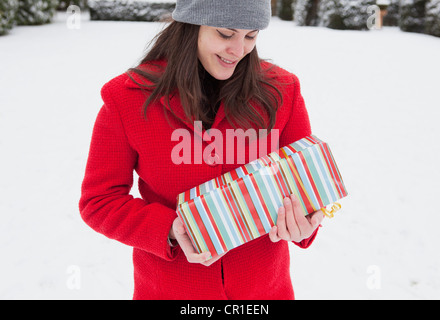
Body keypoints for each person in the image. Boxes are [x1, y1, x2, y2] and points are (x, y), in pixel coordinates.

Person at [79, 0, 324, 300]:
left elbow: (306, 189)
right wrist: (169, 229)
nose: (239, 50)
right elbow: (99, 200)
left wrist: (304, 225)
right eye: (225, 33)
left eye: (251, 36)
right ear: (190, 25)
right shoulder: (127, 98)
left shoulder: (281, 91)